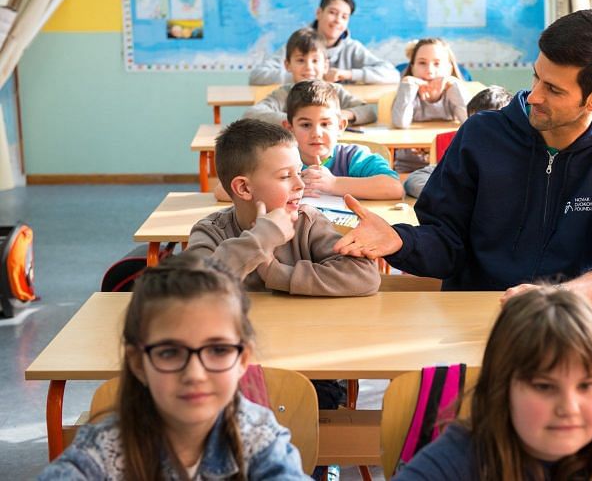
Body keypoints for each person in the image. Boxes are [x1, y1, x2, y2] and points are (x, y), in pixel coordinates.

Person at [334, 10, 592, 304]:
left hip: (568, 324)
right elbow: (447, 243)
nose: (534, 96)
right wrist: (400, 240)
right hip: (474, 317)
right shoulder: (481, 134)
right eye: (536, 77)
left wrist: (560, 296)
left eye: (554, 90)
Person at [39, 253, 308, 480]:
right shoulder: (103, 452)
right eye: (169, 353)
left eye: (217, 350)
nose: (194, 374)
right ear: (138, 364)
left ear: (242, 359)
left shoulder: (259, 441)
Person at [394, 287, 592, 480]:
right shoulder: (467, 454)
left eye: (586, 386)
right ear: (502, 388)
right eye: (544, 387)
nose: (568, 408)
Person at [189, 119, 379, 412]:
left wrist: (277, 273)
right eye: (285, 176)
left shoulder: (308, 221)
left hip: (308, 361)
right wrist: (260, 238)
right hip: (234, 364)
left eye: (299, 172)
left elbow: (365, 277)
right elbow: (192, 294)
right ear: (243, 187)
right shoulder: (211, 230)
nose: (300, 184)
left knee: (313, 405)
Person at [249, 0, 399, 85]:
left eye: (344, 17)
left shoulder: (352, 48)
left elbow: (392, 75)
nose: (337, 21)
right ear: (319, 13)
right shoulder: (299, 43)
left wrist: (347, 74)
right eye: (333, 13)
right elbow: (257, 76)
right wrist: (303, 76)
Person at [284, 79, 403, 200]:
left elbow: (394, 187)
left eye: (325, 124)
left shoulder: (352, 156)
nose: (316, 133)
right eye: (306, 125)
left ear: (340, 126)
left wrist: (334, 184)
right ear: (290, 129)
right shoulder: (281, 161)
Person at [243, 28, 376, 127]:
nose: (308, 67)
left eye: (315, 61)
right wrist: (297, 120)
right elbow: (251, 114)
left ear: (325, 65)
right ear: (287, 65)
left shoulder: (334, 91)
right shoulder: (284, 93)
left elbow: (369, 111)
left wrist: (342, 115)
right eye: (301, 60)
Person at [404, 85, 512, 198]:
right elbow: (414, 180)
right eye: (474, 126)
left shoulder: (520, 159)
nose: (481, 132)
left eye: (490, 125)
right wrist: (452, 196)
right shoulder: (467, 156)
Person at [391, 38, 470, 172]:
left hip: (448, 165)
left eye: (437, 64)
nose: (429, 70)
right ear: (412, 67)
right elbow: (400, 123)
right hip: (409, 168)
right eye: (422, 63)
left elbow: (470, 121)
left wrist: (454, 85)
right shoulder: (408, 91)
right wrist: (407, 87)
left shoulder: (453, 92)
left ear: (449, 68)